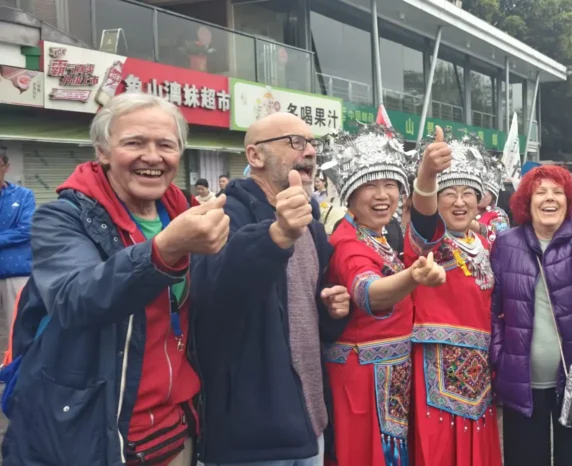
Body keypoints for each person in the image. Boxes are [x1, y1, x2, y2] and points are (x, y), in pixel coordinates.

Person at [2, 93, 230, 465]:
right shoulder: (60, 218)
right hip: (91, 433)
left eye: (166, 145)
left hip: (175, 430)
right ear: (103, 152)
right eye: (134, 143)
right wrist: (163, 251)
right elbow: (74, 299)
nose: (153, 156)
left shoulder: (186, 215)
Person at [190, 112, 351, 465]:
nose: (309, 151)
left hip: (309, 423)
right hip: (252, 438)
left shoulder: (309, 220)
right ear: (255, 156)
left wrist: (332, 306)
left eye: (313, 143)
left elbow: (307, 311)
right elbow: (215, 299)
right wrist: (274, 237)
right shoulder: (223, 214)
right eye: (295, 142)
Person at [320, 124, 446, 466]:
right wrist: (413, 277)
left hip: (386, 375)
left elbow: (424, 232)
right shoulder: (347, 242)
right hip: (361, 378)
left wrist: (429, 175)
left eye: (390, 184)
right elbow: (369, 293)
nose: (382, 195)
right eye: (370, 186)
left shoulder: (379, 235)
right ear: (350, 195)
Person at [490, 165, 572, 466]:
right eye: (540, 192)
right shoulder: (506, 244)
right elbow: (492, 308)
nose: (549, 198)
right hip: (521, 379)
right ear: (526, 203)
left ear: (569, 202)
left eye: (558, 192)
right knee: (525, 458)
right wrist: (499, 356)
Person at [404, 131, 502, 465]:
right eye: (449, 194)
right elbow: (424, 215)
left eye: (467, 194)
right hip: (438, 370)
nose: (459, 202)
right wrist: (428, 175)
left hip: (480, 374)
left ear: (480, 201)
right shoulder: (432, 242)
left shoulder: (484, 245)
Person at [0, 151, 34, 351]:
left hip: (16, 271)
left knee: (18, 322)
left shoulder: (23, 195)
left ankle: (16, 365)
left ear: (6, 167)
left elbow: (27, 229)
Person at [475, 157, 511, 243]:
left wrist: (471, 225)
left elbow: (498, 236)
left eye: (487, 190)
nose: (482, 193)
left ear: (493, 195)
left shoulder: (499, 215)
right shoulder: (462, 210)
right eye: (479, 189)